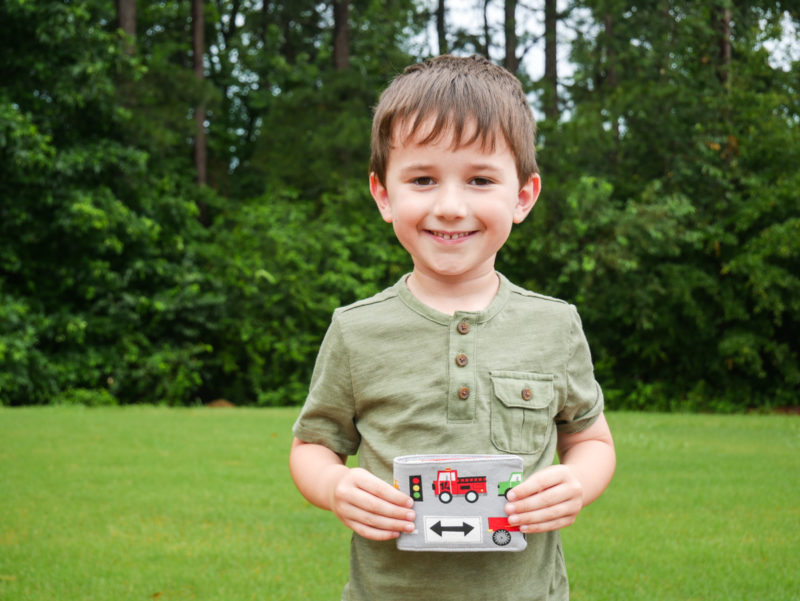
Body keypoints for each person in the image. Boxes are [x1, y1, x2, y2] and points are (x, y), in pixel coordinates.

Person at [289, 54, 616, 601]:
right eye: (422, 178)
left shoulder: (555, 324)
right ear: (383, 195)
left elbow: (590, 439)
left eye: (481, 179)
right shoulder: (355, 331)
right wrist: (335, 485)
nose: (449, 206)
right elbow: (312, 447)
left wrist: (577, 483)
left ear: (523, 196)